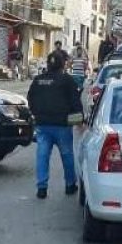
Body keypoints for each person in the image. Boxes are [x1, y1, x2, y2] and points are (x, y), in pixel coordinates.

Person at [27, 51, 83, 199]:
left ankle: (42, 188)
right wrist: (79, 121)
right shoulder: (67, 80)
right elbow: (75, 102)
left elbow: (30, 99)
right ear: (63, 64)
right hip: (62, 125)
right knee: (67, 155)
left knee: (42, 155)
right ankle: (70, 185)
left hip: (43, 125)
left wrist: (37, 115)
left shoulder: (38, 80)